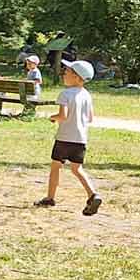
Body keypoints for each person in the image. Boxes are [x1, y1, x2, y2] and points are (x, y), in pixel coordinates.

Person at [38, 61, 102, 215]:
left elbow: (63, 116)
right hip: (81, 139)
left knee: (55, 166)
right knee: (77, 169)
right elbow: (90, 118)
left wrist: (52, 117)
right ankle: (93, 194)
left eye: (67, 72)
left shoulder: (65, 94)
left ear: (76, 77)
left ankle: (50, 198)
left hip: (64, 138)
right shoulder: (87, 95)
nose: (63, 74)